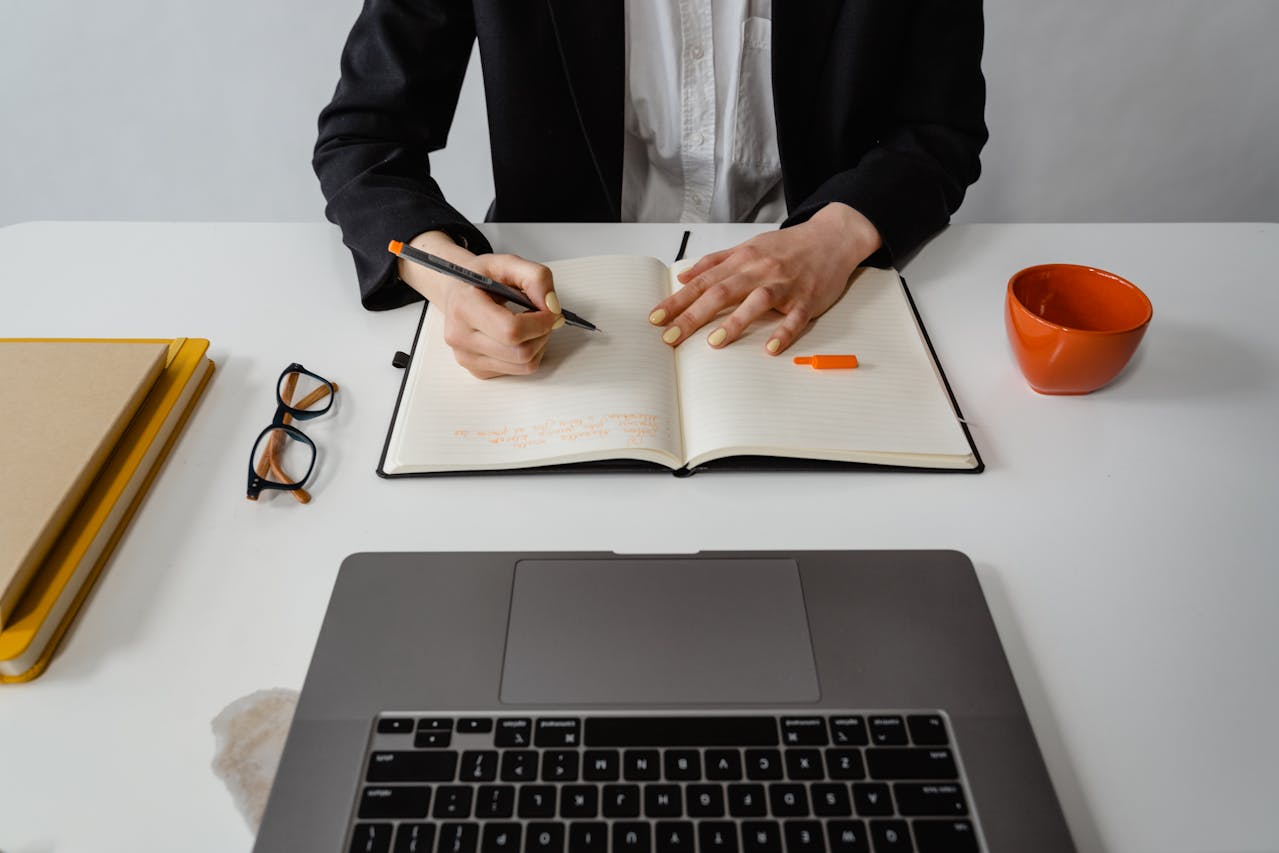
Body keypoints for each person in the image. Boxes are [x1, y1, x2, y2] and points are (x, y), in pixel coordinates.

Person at [315, 1, 986, 379]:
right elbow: (363, 138)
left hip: (820, 291)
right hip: (561, 304)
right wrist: (450, 277)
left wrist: (832, 236)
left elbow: (938, 130)